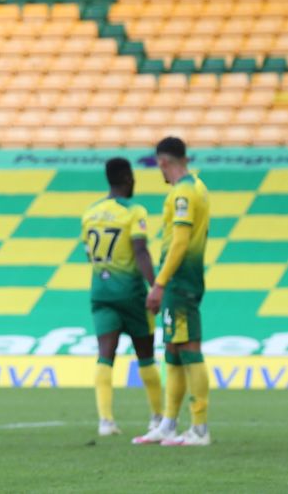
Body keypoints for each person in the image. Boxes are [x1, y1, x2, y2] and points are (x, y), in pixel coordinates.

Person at [133, 136, 211, 447]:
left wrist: (160, 282)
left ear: (164, 162)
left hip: (180, 281)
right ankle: (168, 423)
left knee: (189, 348)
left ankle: (200, 428)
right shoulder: (197, 187)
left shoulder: (183, 193)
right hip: (181, 281)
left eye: (159, 166)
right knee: (175, 351)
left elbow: (179, 242)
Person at [81, 158, 162, 437]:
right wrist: (156, 285)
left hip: (101, 293)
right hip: (132, 293)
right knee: (146, 356)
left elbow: (88, 253)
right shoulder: (134, 211)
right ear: (128, 178)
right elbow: (140, 250)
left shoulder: (90, 213)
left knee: (105, 355)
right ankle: (157, 418)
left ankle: (106, 421)